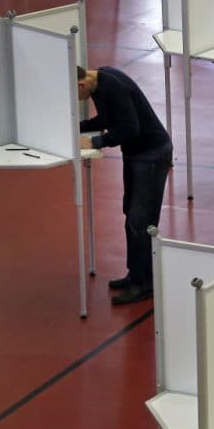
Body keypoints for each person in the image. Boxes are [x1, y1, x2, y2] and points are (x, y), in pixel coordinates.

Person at [78, 65, 173, 306]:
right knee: (131, 216)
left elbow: (130, 128)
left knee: (140, 221)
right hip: (137, 155)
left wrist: (96, 141)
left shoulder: (113, 87)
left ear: (81, 85)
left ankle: (144, 284)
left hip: (150, 156)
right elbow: (111, 119)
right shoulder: (99, 82)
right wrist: (80, 127)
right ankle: (137, 274)